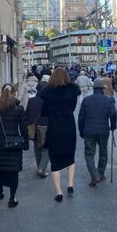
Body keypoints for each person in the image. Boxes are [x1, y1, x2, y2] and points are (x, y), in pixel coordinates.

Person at [0, 84, 29, 209]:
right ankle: (12, 198)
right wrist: (26, 143)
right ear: (13, 93)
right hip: (15, 143)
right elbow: (23, 127)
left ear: (1, 92)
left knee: (0, 169)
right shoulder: (18, 108)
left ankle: (0, 190)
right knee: (14, 171)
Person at [39, 68, 81, 202]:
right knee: (70, 157)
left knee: (55, 161)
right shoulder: (72, 91)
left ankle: (58, 191)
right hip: (69, 126)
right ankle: (70, 184)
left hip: (55, 128)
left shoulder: (48, 93)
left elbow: (44, 112)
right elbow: (73, 108)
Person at [78, 78, 117, 186]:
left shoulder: (86, 100)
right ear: (103, 89)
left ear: (94, 89)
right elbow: (113, 114)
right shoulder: (108, 100)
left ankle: (94, 175)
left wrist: (81, 131)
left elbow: (81, 118)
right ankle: (100, 173)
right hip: (103, 130)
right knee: (103, 152)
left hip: (89, 130)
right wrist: (113, 126)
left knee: (89, 153)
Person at [25, 82, 49, 178]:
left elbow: (28, 114)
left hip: (34, 127)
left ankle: (39, 167)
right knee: (48, 148)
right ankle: (41, 168)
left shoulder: (32, 100)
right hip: (47, 127)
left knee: (36, 147)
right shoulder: (50, 101)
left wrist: (29, 124)